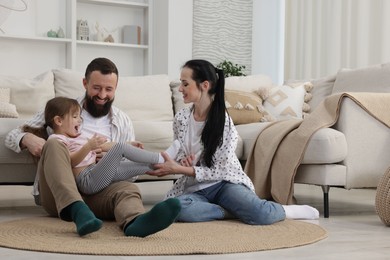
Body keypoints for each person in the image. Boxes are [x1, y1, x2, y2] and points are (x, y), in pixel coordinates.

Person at [5, 57, 181, 237]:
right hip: (57, 196)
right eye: (96, 88)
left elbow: (130, 174)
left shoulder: (122, 121)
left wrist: (107, 162)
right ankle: (76, 209)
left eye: (108, 89)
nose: (102, 95)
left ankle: (135, 222)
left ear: (116, 88)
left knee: (128, 189)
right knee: (54, 143)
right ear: (85, 83)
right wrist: (27, 138)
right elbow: (12, 135)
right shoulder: (63, 108)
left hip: (96, 192)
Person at [146, 59, 319, 224]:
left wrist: (182, 168)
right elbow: (182, 153)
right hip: (195, 188)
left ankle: (287, 211)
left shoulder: (223, 122)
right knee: (176, 209)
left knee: (261, 215)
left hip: (224, 184)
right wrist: (182, 162)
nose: (180, 89)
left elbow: (221, 170)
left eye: (185, 84)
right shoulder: (181, 119)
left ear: (204, 85)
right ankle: (229, 211)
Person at [23, 96, 180, 195]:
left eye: (80, 116)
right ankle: (160, 156)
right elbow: (69, 162)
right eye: (75, 117)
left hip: (96, 172)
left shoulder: (78, 136)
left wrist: (128, 144)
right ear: (58, 121)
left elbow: (104, 146)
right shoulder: (57, 140)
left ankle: (173, 164)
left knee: (144, 165)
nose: (80, 120)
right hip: (86, 180)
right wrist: (88, 147)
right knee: (119, 149)